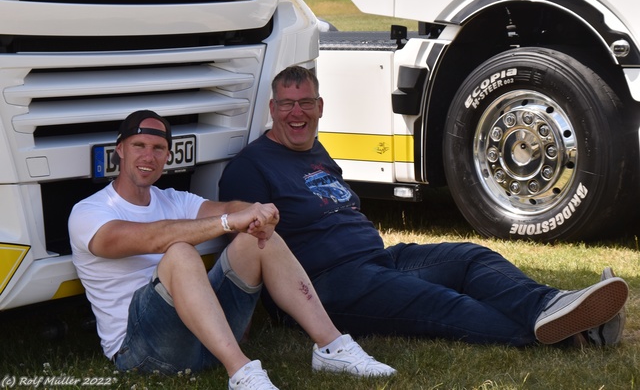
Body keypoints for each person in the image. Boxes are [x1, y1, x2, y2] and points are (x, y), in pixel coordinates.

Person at [218, 65, 629, 348]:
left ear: (320, 107)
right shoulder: (250, 168)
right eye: (286, 104)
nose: (296, 113)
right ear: (272, 109)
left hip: (377, 259)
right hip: (329, 284)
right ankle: (576, 335)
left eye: (305, 103)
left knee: (470, 258)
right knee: (442, 305)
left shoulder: (317, 152)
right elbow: (249, 246)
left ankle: (551, 305)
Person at [68, 110, 396, 390]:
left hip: (204, 339)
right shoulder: (90, 212)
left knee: (255, 237)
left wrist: (256, 213)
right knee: (179, 250)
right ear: (120, 150)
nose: (148, 156)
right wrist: (230, 221)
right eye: (139, 146)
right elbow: (154, 238)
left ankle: (332, 347)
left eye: (158, 148)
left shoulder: (173, 199)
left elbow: (228, 207)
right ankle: (241, 372)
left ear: (167, 156)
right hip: (142, 352)